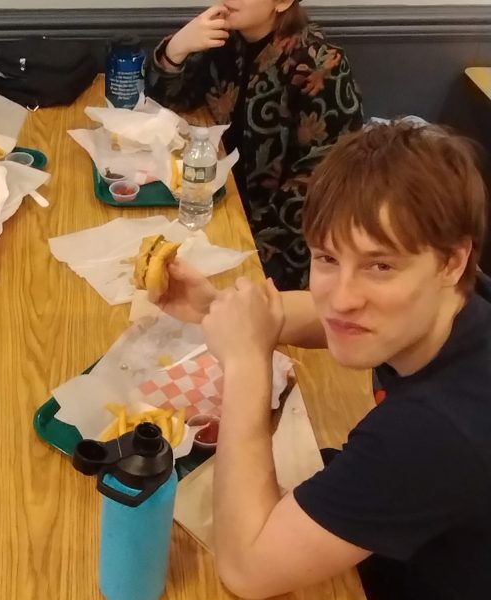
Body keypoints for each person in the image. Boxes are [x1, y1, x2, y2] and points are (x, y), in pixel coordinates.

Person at [156, 122, 490, 600]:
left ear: (451, 262)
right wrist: (217, 308)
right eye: (328, 258)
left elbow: (246, 570)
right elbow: (328, 315)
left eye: (381, 266)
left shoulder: (436, 430)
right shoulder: (458, 302)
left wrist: (246, 363)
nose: (344, 299)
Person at [145, 0, 364, 290]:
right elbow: (170, 101)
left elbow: (324, 181)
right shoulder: (224, 42)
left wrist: (241, 236)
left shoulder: (320, 64)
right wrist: (176, 50)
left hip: (283, 247)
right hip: (217, 209)